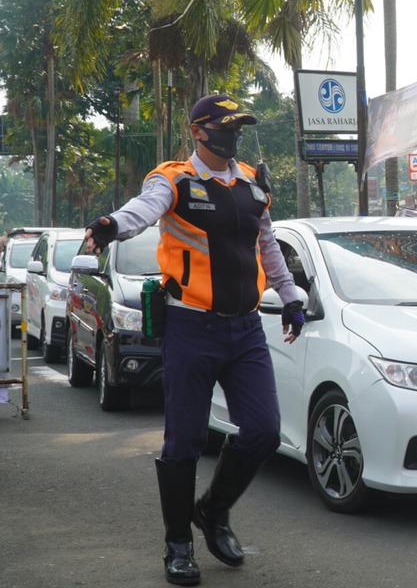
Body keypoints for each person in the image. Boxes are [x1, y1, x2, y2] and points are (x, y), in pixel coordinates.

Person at [84, 95, 308, 586]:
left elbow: (266, 243)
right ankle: (178, 543)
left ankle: (212, 511)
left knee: (264, 431)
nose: (235, 135)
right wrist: (109, 225)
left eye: (239, 127)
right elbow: (143, 210)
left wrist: (291, 297)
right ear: (200, 132)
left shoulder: (252, 182)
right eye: (226, 127)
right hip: (190, 327)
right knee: (184, 441)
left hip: (245, 329)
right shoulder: (174, 179)